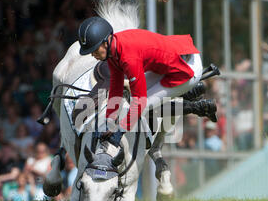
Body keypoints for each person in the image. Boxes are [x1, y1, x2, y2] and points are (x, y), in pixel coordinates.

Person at [78, 16, 217, 146]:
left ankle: (196, 105)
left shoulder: (128, 58)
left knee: (144, 106)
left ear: (106, 41)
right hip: (172, 60)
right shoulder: (114, 49)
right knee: (134, 101)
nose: (92, 55)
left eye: (95, 50)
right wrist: (109, 122)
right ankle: (183, 94)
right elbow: (116, 87)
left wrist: (120, 130)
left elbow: (140, 102)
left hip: (186, 69)